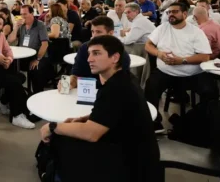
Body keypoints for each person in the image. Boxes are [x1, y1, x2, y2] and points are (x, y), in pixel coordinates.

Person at [43, 35, 159, 182]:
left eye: (96, 53)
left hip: (131, 166)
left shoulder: (114, 88)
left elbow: (91, 133)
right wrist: (84, 119)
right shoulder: (125, 79)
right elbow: (114, 114)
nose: (89, 59)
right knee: (64, 139)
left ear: (115, 57)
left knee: (59, 141)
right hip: (137, 155)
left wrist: (52, 126)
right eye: (89, 54)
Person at [144, 1, 217, 131]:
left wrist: (182, 60)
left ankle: (196, 122)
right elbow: (148, 45)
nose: (171, 14)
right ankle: (155, 122)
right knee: (150, 87)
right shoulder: (162, 28)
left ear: (184, 14)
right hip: (165, 72)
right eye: (169, 12)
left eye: (175, 11)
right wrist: (159, 54)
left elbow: (205, 56)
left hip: (192, 74)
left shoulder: (196, 32)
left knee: (210, 93)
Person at [9, 5, 49, 94]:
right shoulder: (21, 26)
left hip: (37, 55)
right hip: (23, 56)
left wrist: (37, 59)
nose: (22, 16)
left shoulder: (39, 25)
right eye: (21, 14)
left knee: (35, 69)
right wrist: (15, 28)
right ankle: (17, 93)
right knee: (9, 66)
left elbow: (45, 44)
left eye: (25, 14)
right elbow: (10, 40)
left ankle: (37, 94)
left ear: (32, 13)